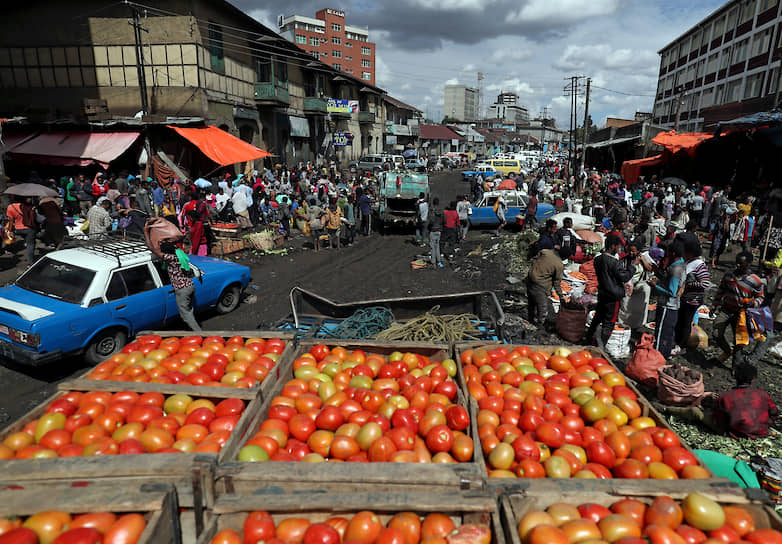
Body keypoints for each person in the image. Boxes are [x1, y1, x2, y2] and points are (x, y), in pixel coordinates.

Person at [711, 251, 767, 367]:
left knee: (739, 341)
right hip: (726, 310)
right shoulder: (729, 275)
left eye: (741, 263)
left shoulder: (755, 280)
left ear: (749, 264)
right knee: (716, 333)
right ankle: (727, 350)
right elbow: (721, 290)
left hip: (742, 313)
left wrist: (753, 303)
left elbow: (760, 297)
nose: (738, 266)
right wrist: (714, 305)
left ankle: (735, 366)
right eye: (737, 263)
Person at [145, 236, 201, 332]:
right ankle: (191, 329)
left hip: (182, 290)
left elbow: (153, 249)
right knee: (189, 310)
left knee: (185, 315)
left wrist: (146, 232)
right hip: (190, 286)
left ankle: (199, 333)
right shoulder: (179, 255)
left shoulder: (170, 258)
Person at [586, 234, 634, 346]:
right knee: (609, 322)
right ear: (612, 246)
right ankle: (600, 346)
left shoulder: (598, 259)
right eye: (617, 247)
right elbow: (625, 277)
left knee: (598, 317)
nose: (618, 250)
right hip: (613, 296)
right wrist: (632, 267)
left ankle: (589, 339)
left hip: (602, 292)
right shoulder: (614, 262)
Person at [648, 243, 686, 359]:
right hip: (674, 307)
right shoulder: (681, 264)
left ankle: (657, 357)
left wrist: (655, 286)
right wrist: (658, 273)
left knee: (660, 332)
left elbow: (671, 292)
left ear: (673, 253)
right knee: (669, 333)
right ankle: (666, 353)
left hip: (667, 305)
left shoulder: (675, 269)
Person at [674, 240, 710, 354]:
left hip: (693, 300)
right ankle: (677, 342)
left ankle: (682, 345)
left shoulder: (699, 265)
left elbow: (705, 283)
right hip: (685, 298)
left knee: (685, 322)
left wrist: (689, 284)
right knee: (680, 321)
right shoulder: (689, 262)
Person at [526, 247, 564, 327]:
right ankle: (539, 325)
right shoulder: (559, 265)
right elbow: (556, 282)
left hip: (530, 279)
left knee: (531, 302)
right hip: (540, 285)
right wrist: (561, 296)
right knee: (542, 307)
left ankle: (530, 318)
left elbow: (535, 257)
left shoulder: (546, 252)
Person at [618, 243, 653, 330]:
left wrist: (642, 260)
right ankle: (624, 324)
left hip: (640, 286)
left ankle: (639, 325)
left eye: (633, 251)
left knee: (640, 307)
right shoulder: (624, 260)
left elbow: (650, 269)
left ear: (638, 251)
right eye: (630, 251)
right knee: (625, 306)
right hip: (628, 286)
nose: (631, 253)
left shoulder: (644, 259)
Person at [7, 196, 37, 266]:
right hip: (29, 229)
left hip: (17, 230)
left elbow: (11, 221)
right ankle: (30, 263)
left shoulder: (10, 207)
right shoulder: (28, 206)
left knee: (13, 238)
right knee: (30, 245)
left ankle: (9, 250)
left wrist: (10, 230)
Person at [428, 197, 444, 269]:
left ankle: (433, 263)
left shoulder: (432, 211)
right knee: (437, 247)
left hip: (433, 230)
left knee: (432, 247)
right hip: (439, 231)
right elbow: (444, 221)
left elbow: (431, 221)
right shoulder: (441, 211)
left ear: (433, 203)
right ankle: (439, 262)